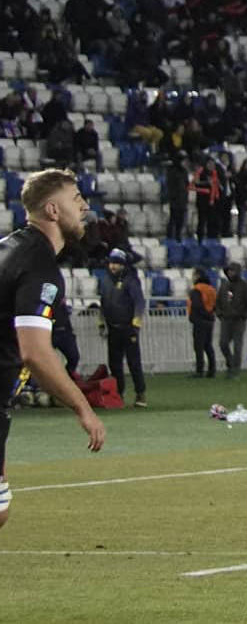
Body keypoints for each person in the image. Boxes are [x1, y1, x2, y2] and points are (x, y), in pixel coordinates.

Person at [0, 169, 108, 530]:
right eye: (75, 199)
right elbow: (36, 352)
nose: (84, 206)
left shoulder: (10, 248)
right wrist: (83, 408)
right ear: (52, 210)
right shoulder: (39, 265)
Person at [99, 248, 148, 407]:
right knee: (114, 364)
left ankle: (140, 394)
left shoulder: (131, 280)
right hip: (112, 328)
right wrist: (101, 322)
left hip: (128, 328)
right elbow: (103, 302)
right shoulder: (105, 280)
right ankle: (118, 394)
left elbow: (139, 302)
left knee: (134, 363)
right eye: (112, 263)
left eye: (117, 264)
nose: (113, 266)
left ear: (123, 265)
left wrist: (136, 323)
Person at [216, 260, 247, 378]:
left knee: (237, 346)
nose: (230, 273)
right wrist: (220, 314)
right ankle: (230, 363)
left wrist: (244, 315)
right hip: (225, 319)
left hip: (239, 320)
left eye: (233, 271)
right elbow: (218, 302)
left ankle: (235, 370)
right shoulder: (224, 286)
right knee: (223, 344)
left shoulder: (245, 286)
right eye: (229, 271)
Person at [189, 266, 219, 377]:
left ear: (197, 276)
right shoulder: (211, 289)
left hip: (200, 320)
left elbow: (197, 305)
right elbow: (215, 305)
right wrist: (210, 315)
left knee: (199, 346)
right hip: (209, 320)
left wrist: (196, 316)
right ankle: (212, 370)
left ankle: (199, 370)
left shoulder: (197, 289)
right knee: (208, 346)